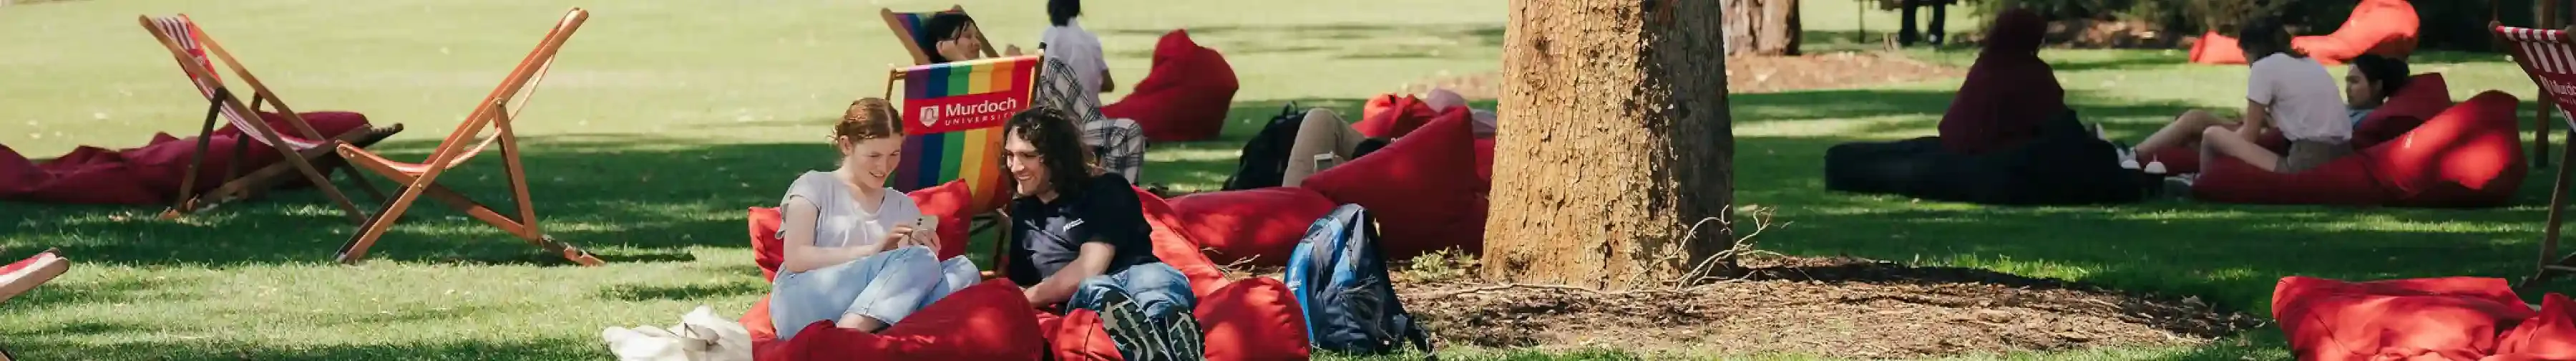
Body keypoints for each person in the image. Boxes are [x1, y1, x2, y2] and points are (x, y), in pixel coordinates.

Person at [767, 98, 980, 340]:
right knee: (918, 260)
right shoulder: (813, 185)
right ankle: (843, 339)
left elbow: (908, 275)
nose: (884, 166)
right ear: (847, 145)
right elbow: (796, 258)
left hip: (873, 306)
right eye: (874, 155)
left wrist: (928, 253)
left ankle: (867, 334)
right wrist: (874, 251)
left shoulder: (902, 204)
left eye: (894, 154)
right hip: (803, 299)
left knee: (963, 269)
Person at [1001, 108, 1201, 360]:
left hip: (1137, 272)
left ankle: (1165, 332)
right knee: (1104, 290)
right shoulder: (1025, 214)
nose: (1015, 167)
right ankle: (1165, 340)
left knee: (1146, 288)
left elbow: (1091, 267)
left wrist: (1027, 298)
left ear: (1057, 157)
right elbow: (1021, 280)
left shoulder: (1106, 189)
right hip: (1099, 291)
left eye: (1028, 156)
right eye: (1009, 155)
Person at [2128, 14, 2350, 175]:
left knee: (2212, 135)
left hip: (2304, 160)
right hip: (2340, 152)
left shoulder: (2265, 67)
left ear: (2251, 50)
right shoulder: (2308, 63)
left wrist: (2218, 139)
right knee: (2197, 119)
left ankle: (2202, 183)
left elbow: (2248, 137)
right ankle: (2134, 154)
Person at [1935, 8, 2065, 155]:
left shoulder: (1984, 65)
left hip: (1957, 146)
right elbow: (2054, 115)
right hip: (1995, 153)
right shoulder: (2032, 72)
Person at [2343, 54, 2410, 127]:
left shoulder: (2371, 122)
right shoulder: (2345, 109)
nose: (2348, 88)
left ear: (2377, 85)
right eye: (2347, 81)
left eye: (2354, 81)